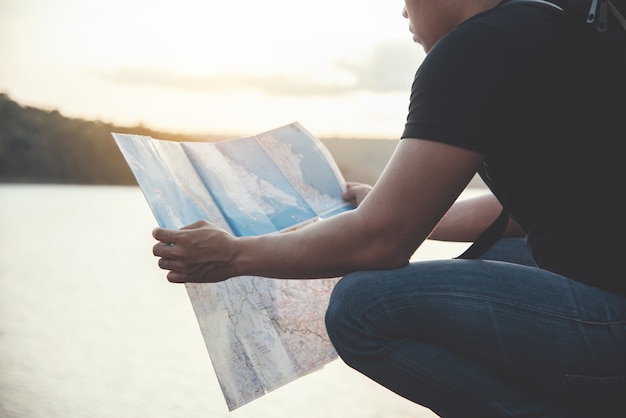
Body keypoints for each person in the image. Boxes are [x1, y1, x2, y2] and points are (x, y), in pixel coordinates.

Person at [152, 0, 626, 416]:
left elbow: (380, 243)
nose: (403, 11)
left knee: (362, 307)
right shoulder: (556, 25)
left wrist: (233, 255)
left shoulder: (474, 50)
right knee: (487, 261)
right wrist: (401, 206)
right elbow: (537, 209)